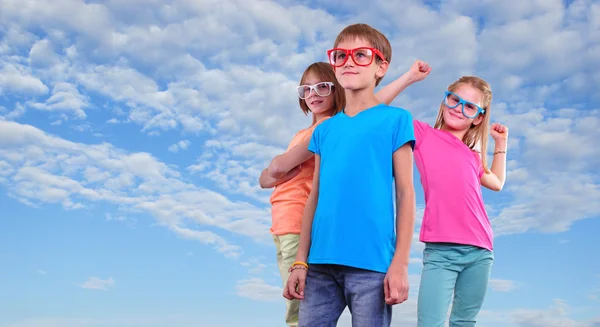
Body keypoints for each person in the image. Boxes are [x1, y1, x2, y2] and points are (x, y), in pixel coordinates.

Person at [260, 58, 429, 327]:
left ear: (337, 88)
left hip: (304, 228)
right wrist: (273, 171)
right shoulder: (317, 131)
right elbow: (265, 179)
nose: (313, 94)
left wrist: (407, 78)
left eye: (323, 87)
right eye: (306, 89)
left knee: (295, 313)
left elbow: (277, 168)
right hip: (285, 229)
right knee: (295, 310)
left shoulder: (327, 127)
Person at [377, 70, 509, 327]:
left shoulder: (473, 156)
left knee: (464, 322)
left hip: (480, 250)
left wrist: (501, 143)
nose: (459, 109)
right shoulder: (424, 135)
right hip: (441, 251)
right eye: (454, 99)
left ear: (478, 118)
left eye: (470, 106)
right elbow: (373, 108)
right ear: (444, 100)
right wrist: (410, 78)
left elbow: (497, 183)